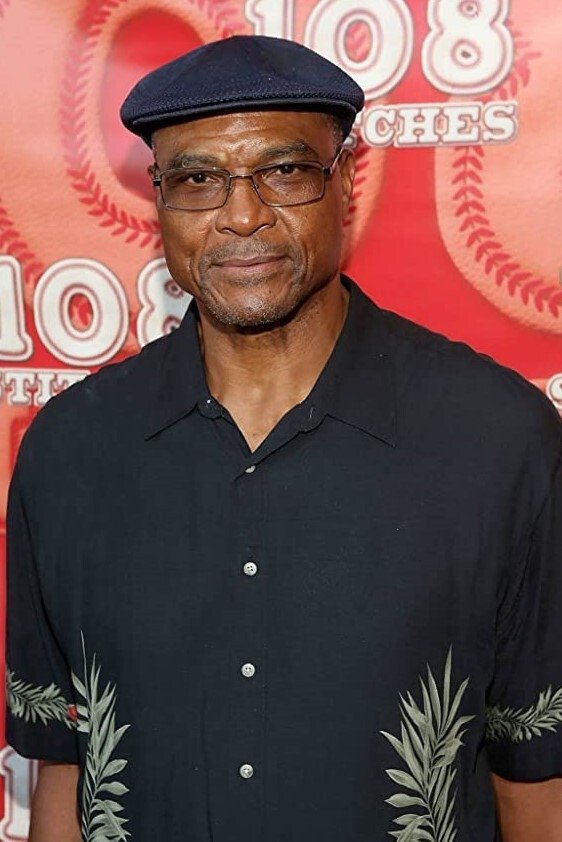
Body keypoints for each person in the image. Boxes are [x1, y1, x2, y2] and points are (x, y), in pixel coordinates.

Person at [5, 34, 562, 842]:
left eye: (285, 171)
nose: (241, 215)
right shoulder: (69, 453)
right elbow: (64, 770)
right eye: (197, 179)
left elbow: (537, 783)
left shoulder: (499, 442)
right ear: (158, 198)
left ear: (345, 182)